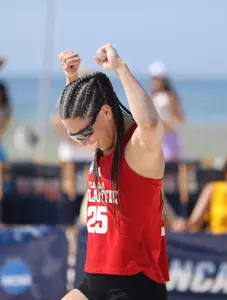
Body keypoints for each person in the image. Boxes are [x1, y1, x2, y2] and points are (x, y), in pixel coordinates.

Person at [58, 45, 169, 300]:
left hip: (135, 288)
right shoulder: (100, 140)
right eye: (73, 136)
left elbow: (150, 124)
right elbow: (83, 120)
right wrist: (72, 82)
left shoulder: (137, 151)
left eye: (85, 134)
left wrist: (120, 68)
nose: (82, 142)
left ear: (106, 112)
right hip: (93, 283)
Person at [148, 61, 184, 162]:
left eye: (156, 79)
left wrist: (165, 123)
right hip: (155, 137)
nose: (154, 82)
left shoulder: (170, 96)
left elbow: (179, 118)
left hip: (168, 136)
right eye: (152, 79)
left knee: (169, 167)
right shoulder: (152, 96)